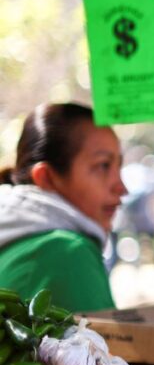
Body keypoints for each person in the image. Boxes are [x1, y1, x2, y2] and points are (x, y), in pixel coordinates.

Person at [0, 103, 127, 312]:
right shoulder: (68, 252)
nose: (121, 187)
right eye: (103, 165)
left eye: (118, 166)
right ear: (47, 177)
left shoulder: (15, 240)